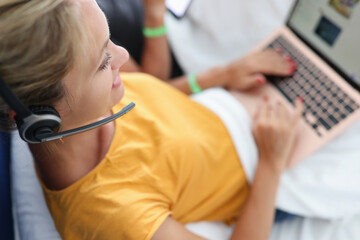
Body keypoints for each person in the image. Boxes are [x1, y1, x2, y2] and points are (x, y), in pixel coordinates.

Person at [0, 1, 303, 240]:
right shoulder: (116, 215)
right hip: (265, 172)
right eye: (103, 62)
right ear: (41, 119)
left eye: (110, 42)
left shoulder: (85, 104)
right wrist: (270, 164)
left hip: (227, 108)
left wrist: (222, 75)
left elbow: (147, 91)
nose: (122, 54)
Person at [97, 0, 297, 94]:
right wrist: (155, 15)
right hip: (191, 74)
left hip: (183, 27)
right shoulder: (82, 23)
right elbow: (151, 88)